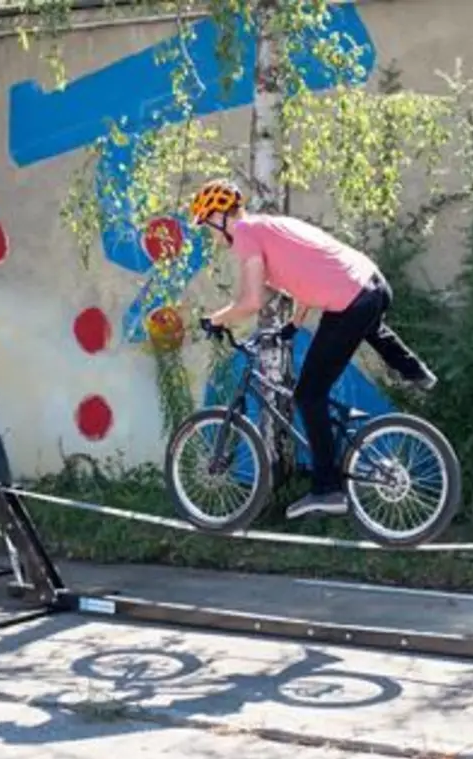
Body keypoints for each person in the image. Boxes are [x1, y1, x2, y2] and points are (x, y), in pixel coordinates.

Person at [188, 177, 438, 520]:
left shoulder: (245, 233)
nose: (210, 234)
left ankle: (326, 489)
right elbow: (305, 278)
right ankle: (416, 372)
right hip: (373, 286)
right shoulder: (271, 227)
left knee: (308, 395)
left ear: (220, 216)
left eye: (207, 225)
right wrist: (293, 324)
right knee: (366, 332)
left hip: (351, 302)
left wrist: (215, 319)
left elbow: (252, 300)